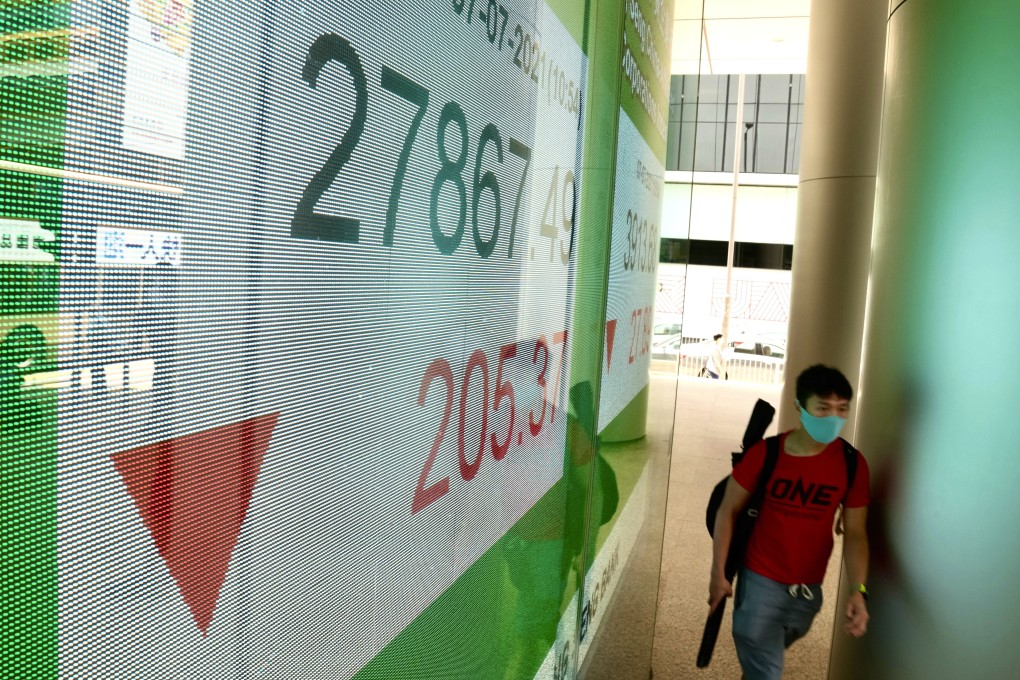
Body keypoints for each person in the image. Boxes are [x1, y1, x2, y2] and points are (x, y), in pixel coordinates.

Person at [708, 364, 870, 680]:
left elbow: (855, 533)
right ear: (799, 407)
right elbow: (726, 511)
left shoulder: (852, 464)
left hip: (808, 588)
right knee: (767, 668)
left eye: (842, 409)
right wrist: (718, 574)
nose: (833, 418)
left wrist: (858, 589)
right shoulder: (766, 455)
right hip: (760, 579)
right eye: (822, 408)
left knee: (765, 657)